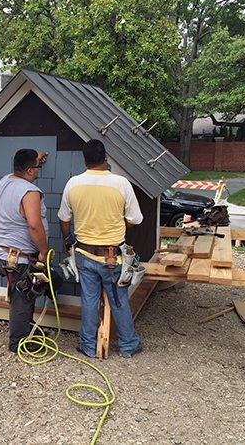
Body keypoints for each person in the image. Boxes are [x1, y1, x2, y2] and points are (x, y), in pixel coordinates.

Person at [58, 139, 144, 358]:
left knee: (88, 300)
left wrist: (67, 239)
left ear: (84, 160)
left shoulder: (73, 184)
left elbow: (64, 219)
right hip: (111, 258)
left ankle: (87, 345)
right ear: (106, 158)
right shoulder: (121, 183)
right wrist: (119, 225)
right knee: (118, 300)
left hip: (84, 254)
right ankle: (128, 345)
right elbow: (136, 218)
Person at [0, 149, 49, 353]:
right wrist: (43, 251)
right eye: (37, 167)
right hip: (21, 259)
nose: (38, 170)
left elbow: (23, 158)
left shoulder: (6, 181)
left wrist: (37, 155)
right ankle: (18, 344)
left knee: (24, 296)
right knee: (22, 300)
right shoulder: (30, 192)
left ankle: (26, 332)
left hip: (6, 254)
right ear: (28, 170)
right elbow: (34, 226)